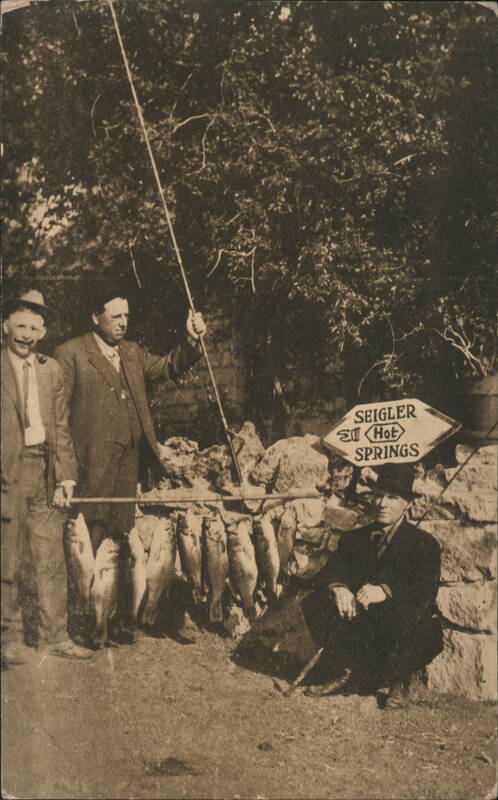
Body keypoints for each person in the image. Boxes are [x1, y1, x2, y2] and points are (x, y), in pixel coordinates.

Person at [54, 277, 206, 643]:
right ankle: (86, 623)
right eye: (115, 316)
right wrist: (67, 471)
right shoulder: (71, 354)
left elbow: (169, 366)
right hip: (91, 465)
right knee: (89, 542)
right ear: (95, 317)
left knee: (121, 540)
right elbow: (58, 418)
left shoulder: (133, 353)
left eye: (126, 316)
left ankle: (119, 619)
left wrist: (191, 340)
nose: (122, 323)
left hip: (129, 462)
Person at [301, 463, 443, 708]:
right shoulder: (354, 537)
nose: (383, 504)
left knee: (423, 623)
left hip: (399, 621)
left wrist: (386, 591)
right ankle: (346, 672)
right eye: (378, 496)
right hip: (364, 622)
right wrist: (338, 588)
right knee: (315, 601)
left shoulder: (424, 544)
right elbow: (330, 571)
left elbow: (425, 589)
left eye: (392, 497)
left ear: (406, 503)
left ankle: (399, 682)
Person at [1, 290, 93, 666]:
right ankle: (8, 640)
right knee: (8, 559)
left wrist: (65, 477)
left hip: (44, 469)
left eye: (34, 328)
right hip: (7, 473)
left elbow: (60, 427)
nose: (26, 334)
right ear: (5, 326)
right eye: (20, 325)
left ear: (43, 332)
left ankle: (56, 637)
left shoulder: (50, 369)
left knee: (50, 558)